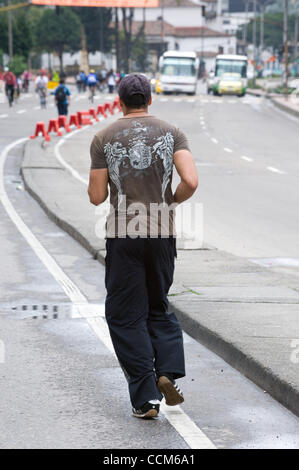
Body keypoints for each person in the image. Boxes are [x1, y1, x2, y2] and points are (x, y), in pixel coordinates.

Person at [88, 74, 198, 419]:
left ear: (119, 100)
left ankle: (146, 397)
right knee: (158, 306)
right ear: (149, 99)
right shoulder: (173, 132)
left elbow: (96, 197)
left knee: (124, 315)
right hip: (161, 234)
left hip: (124, 235)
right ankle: (166, 369)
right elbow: (191, 181)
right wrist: (170, 203)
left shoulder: (103, 137)